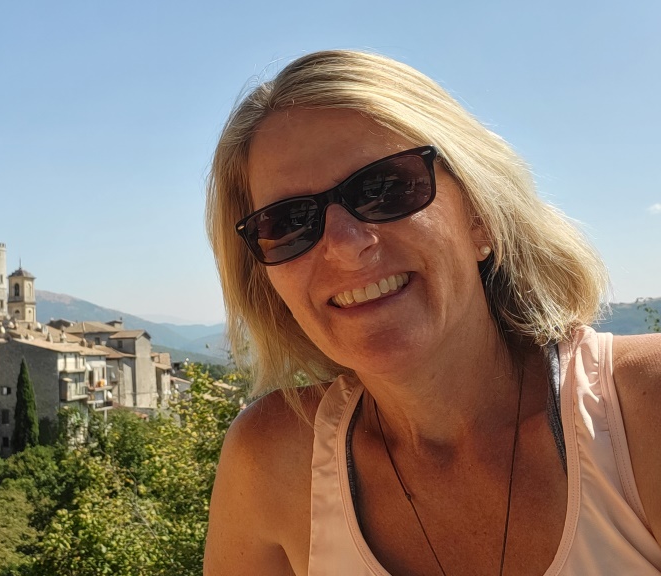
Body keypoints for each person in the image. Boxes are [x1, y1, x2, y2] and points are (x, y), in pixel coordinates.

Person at [203, 50, 661, 575]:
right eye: (288, 222)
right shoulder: (273, 462)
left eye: (383, 189)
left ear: (480, 215)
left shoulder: (642, 410)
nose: (346, 245)